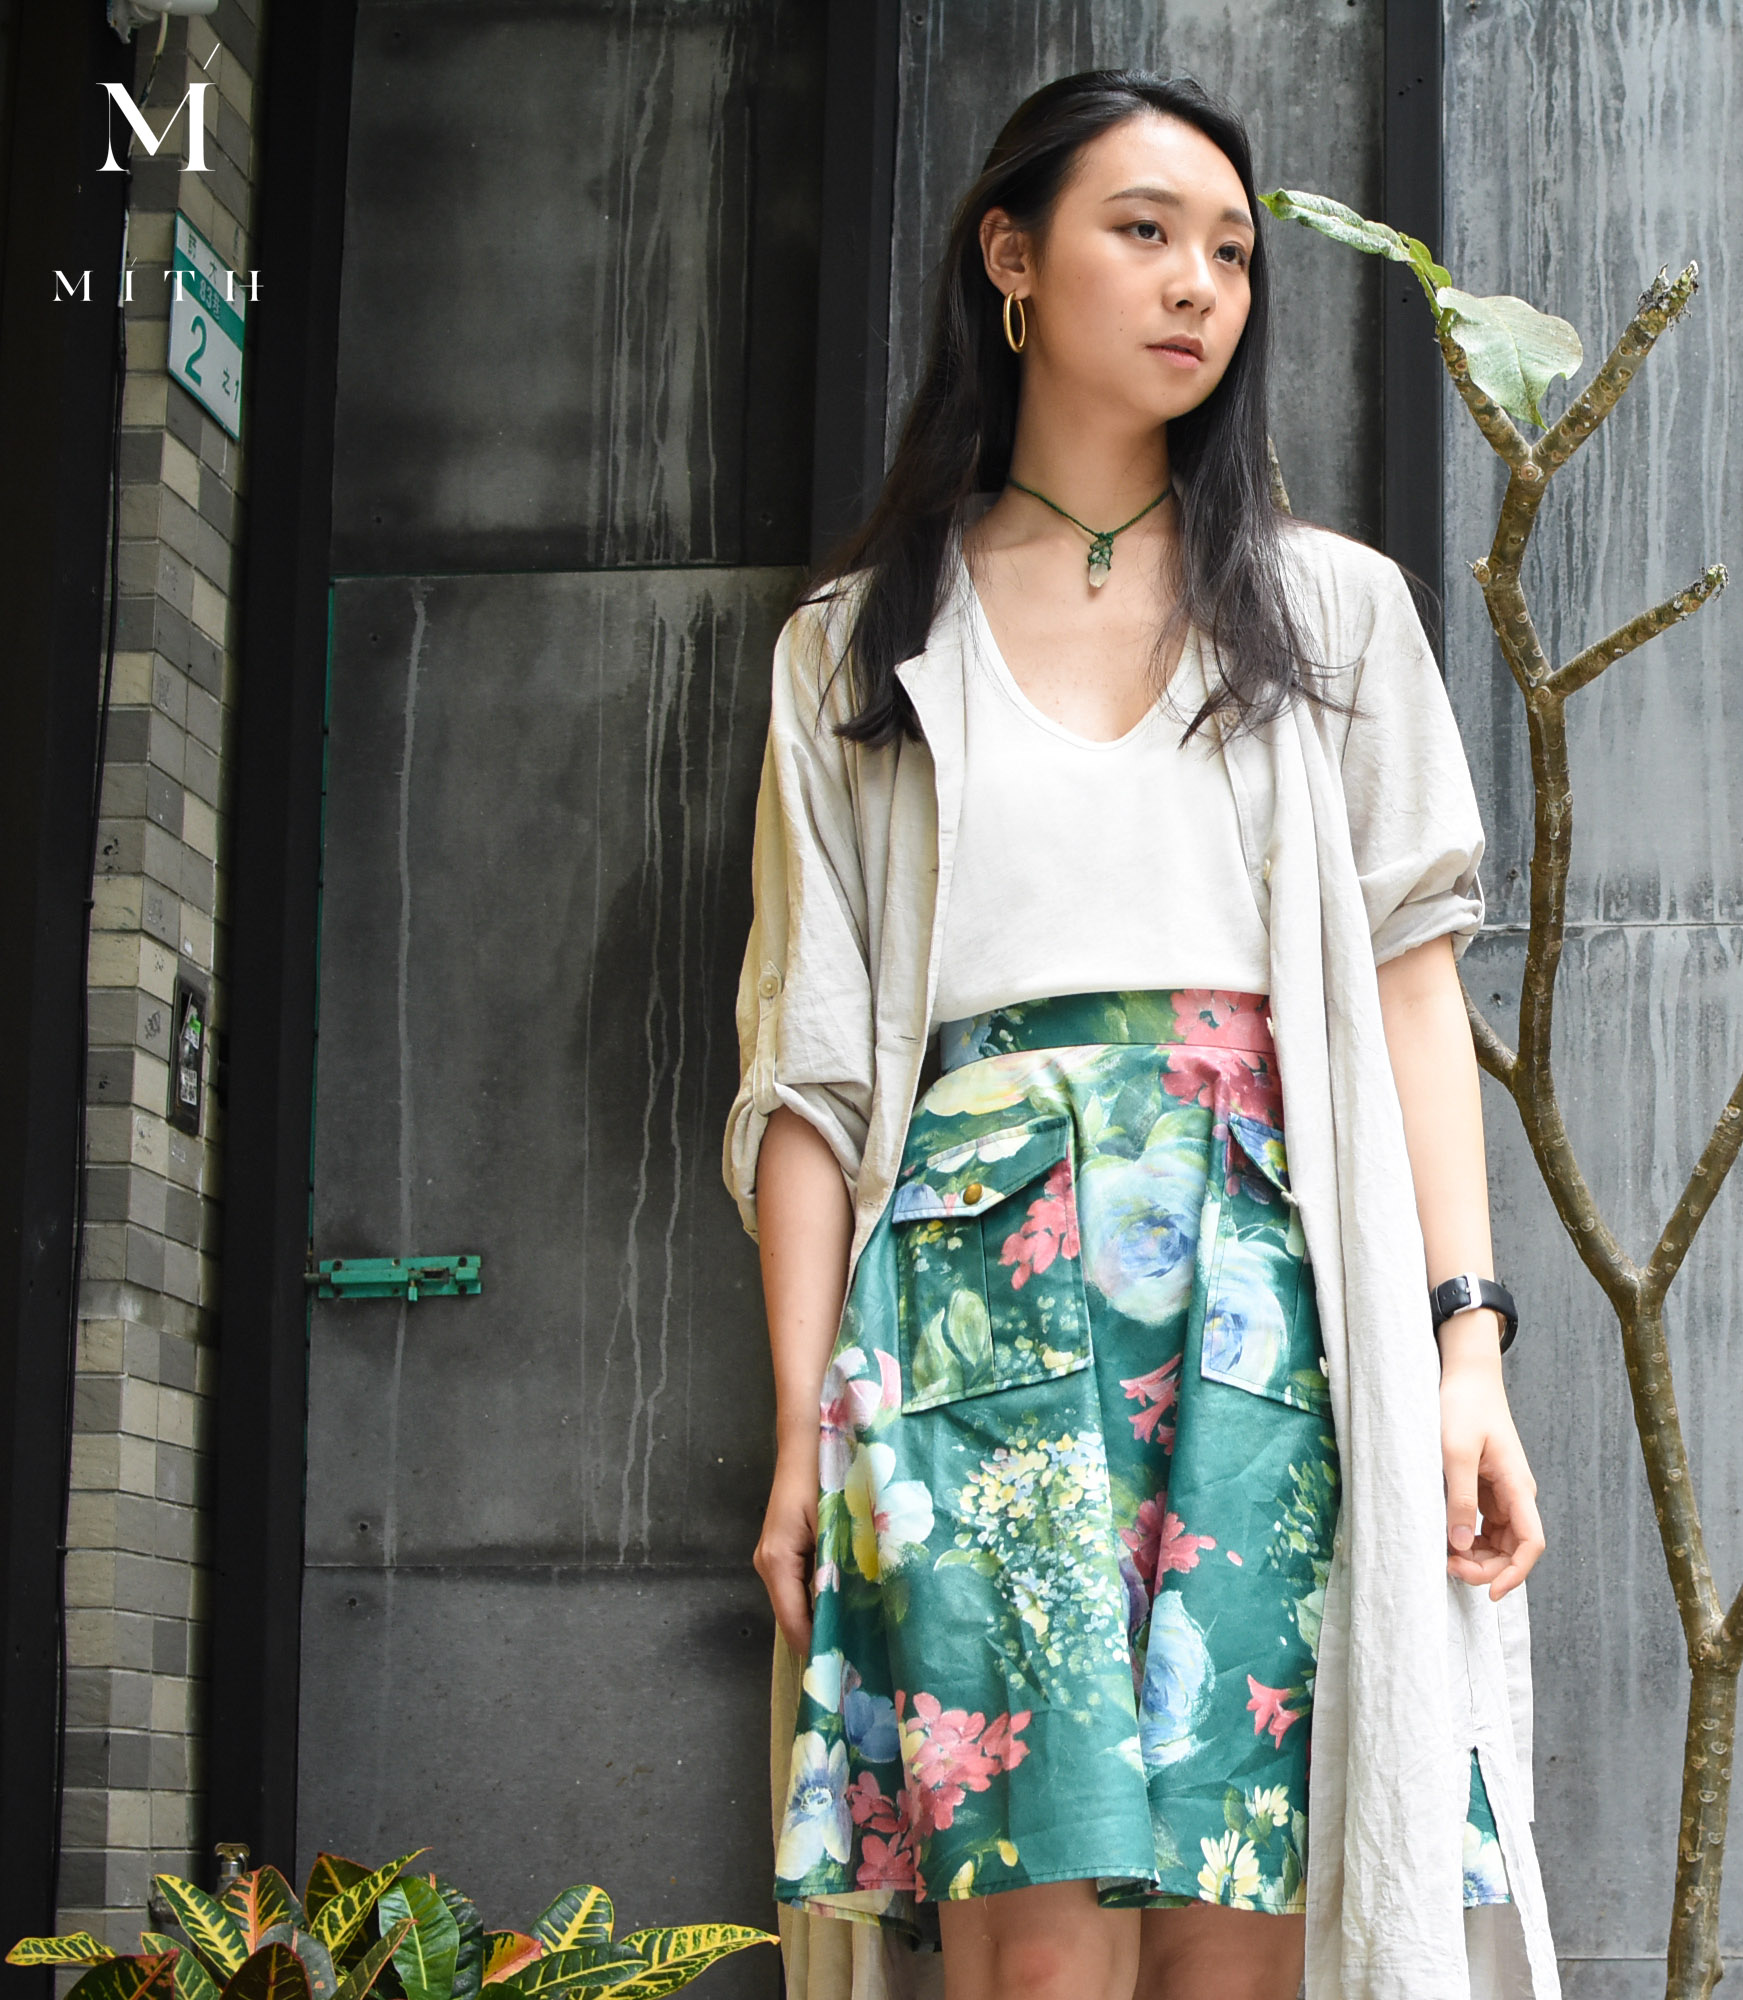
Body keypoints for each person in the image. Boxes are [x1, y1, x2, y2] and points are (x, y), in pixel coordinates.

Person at [720, 68, 1558, 2000]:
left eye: (1234, 254)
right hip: (966, 1316)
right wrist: (796, 1429)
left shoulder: (1331, 615)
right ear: (1011, 260)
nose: (1200, 285)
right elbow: (812, 1074)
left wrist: (1467, 1349)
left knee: (1239, 1938)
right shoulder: (854, 645)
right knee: (1028, 1959)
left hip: (1264, 1309)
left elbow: (1414, 991)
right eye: (1146, 231)